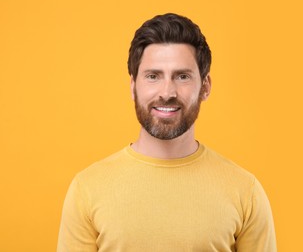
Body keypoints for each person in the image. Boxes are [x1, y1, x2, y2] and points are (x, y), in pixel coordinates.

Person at [57, 13, 276, 252]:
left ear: (205, 87)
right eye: (153, 76)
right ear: (133, 86)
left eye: (182, 76)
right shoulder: (86, 189)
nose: (167, 92)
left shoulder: (246, 192)